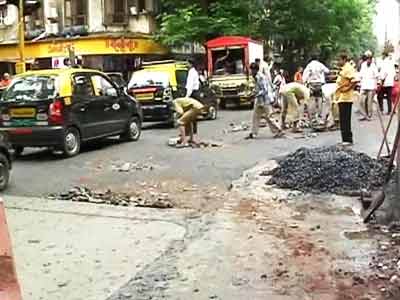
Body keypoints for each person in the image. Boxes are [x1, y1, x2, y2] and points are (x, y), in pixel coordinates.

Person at [246, 63, 283, 139]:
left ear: (255, 70)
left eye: (252, 70)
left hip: (265, 100)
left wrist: (255, 95)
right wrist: (253, 92)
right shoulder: (255, 76)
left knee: (269, 117)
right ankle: (253, 133)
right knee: (255, 117)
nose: (251, 71)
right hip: (259, 100)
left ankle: (278, 130)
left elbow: (265, 90)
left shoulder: (261, 77)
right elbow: (257, 88)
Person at [335, 52, 358, 146]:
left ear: (344, 59)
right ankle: (344, 139)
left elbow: (355, 80)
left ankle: (348, 140)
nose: (338, 62)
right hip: (342, 97)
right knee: (343, 119)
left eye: (339, 60)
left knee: (345, 119)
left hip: (346, 98)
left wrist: (347, 89)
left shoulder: (348, 68)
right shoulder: (344, 68)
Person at [303, 55, 330, 122]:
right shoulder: (320, 64)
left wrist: (305, 82)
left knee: (312, 99)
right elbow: (327, 71)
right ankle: (319, 114)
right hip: (319, 84)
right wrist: (321, 73)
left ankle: (312, 116)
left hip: (312, 84)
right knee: (319, 99)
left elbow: (305, 75)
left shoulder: (309, 65)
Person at [359, 50, 379, 120]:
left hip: (371, 85)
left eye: (370, 59)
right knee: (361, 101)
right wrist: (360, 83)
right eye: (367, 58)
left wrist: (376, 86)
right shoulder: (363, 65)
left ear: (371, 59)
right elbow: (360, 75)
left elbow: (376, 76)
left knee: (369, 102)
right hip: (364, 85)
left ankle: (369, 115)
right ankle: (364, 114)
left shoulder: (373, 66)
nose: (369, 60)